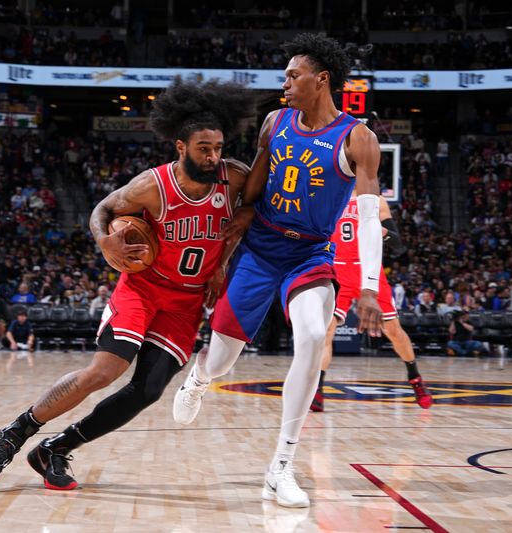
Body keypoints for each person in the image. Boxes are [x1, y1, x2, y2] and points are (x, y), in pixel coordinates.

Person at [0, 78, 255, 491]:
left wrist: (221, 265)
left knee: (148, 391)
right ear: (180, 147)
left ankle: (56, 448)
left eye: (217, 148)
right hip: (143, 287)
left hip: (187, 301)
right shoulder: (152, 186)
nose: (213, 156)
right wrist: (103, 240)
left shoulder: (234, 177)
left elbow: (250, 214)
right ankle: (15, 432)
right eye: (203, 148)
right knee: (105, 371)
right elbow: (103, 209)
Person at [172, 33, 385, 508]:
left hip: (310, 254)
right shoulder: (275, 121)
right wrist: (229, 239)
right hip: (260, 248)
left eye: (293, 75)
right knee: (223, 358)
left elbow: (369, 215)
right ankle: (200, 378)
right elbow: (255, 186)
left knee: (312, 336)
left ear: (321, 79)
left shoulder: (358, 138)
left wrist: (368, 287)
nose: (284, 82)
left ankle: (280, 468)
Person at [309, 191, 432, 412]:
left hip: (368, 269)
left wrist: (381, 232)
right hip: (338, 269)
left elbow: (398, 244)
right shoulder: (330, 194)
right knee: (326, 329)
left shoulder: (377, 200)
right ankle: (317, 390)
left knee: (393, 330)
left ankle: (415, 378)